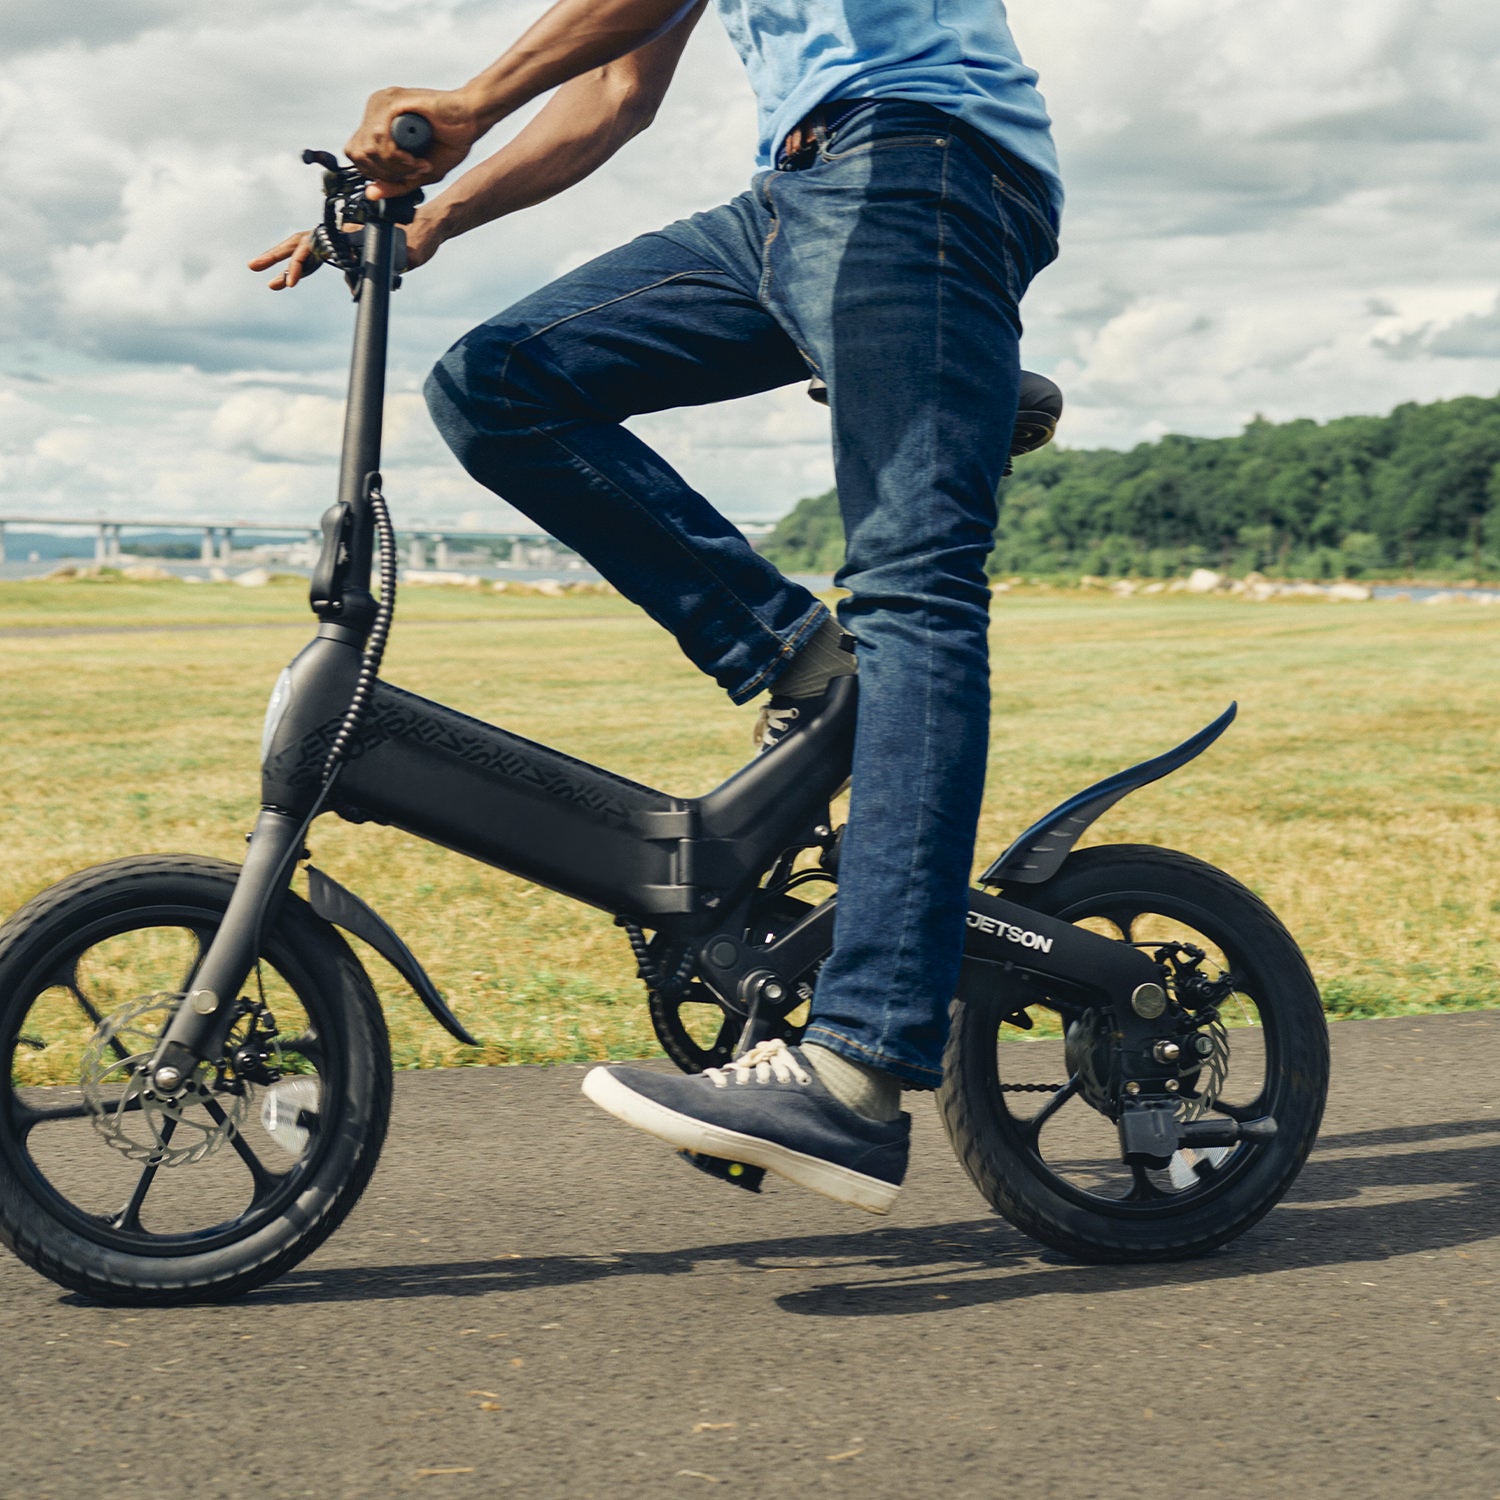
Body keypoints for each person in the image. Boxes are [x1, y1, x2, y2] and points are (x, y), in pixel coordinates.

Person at [252, 0, 1061, 1216]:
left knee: (915, 591)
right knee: (499, 383)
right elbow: (618, 96)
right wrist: (439, 215)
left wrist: (471, 102)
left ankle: (854, 1071)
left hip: (919, 162)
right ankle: (805, 658)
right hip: (795, 192)